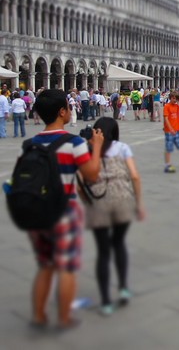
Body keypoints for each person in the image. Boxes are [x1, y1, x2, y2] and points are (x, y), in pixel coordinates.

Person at [26, 89, 104, 330]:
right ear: (63, 112)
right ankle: (64, 318)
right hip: (63, 211)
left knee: (46, 267)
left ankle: (39, 316)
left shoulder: (30, 143)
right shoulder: (74, 143)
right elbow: (91, 176)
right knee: (66, 268)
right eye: (68, 108)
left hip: (36, 211)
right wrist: (97, 146)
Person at [83, 117, 145, 317]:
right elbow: (134, 176)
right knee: (118, 244)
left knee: (103, 252)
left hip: (98, 201)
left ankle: (106, 301)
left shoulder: (86, 150)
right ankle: (123, 288)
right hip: (122, 199)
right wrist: (139, 204)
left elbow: (80, 182)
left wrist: (87, 202)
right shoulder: (122, 147)